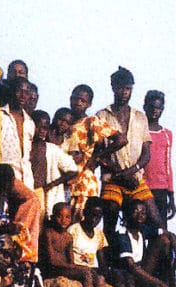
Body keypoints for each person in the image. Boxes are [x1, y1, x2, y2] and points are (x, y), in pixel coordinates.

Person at [96, 67, 164, 239]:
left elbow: (146, 153)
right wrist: (120, 174)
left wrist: (131, 171)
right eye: (121, 88)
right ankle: (111, 262)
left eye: (128, 88)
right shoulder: (102, 116)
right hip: (112, 179)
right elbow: (99, 153)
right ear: (113, 88)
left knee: (157, 220)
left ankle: (148, 261)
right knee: (110, 212)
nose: (124, 92)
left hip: (135, 178)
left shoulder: (140, 117)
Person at [40, 202, 119, 287]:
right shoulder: (49, 233)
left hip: (63, 268)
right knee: (86, 273)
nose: (63, 220)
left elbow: (70, 260)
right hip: (51, 269)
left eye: (67, 217)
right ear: (53, 217)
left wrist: (78, 267)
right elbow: (52, 260)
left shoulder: (68, 237)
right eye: (59, 217)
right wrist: (77, 267)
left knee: (97, 277)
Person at [62, 84, 123, 220]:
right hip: (66, 184)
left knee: (80, 228)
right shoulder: (65, 123)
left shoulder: (91, 122)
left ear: (89, 104)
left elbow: (121, 139)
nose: (78, 103)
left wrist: (96, 157)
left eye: (83, 101)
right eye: (75, 99)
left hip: (84, 185)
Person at [30, 110, 78, 218]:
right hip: (27, 191)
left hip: (45, 193)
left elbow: (73, 170)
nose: (42, 131)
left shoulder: (52, 149)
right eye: (38, 127)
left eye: (45, 128)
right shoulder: (24, 146)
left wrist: (51, 185)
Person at [143, 90, 176, 229]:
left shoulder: (166, 134)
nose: (155, 111)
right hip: (142, 186)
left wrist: (171, 196)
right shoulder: (140, 130)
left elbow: (167, 165)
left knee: (161, 231)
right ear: (145, 107)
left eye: (158, 108)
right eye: (151, 107)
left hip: (161, 189)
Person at [0, 77, 36, 187]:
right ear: (12, 91)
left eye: (26, 92)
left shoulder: (30, 122)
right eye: (19, 91)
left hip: (26, 178)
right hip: (4, 175)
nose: (23, 95)